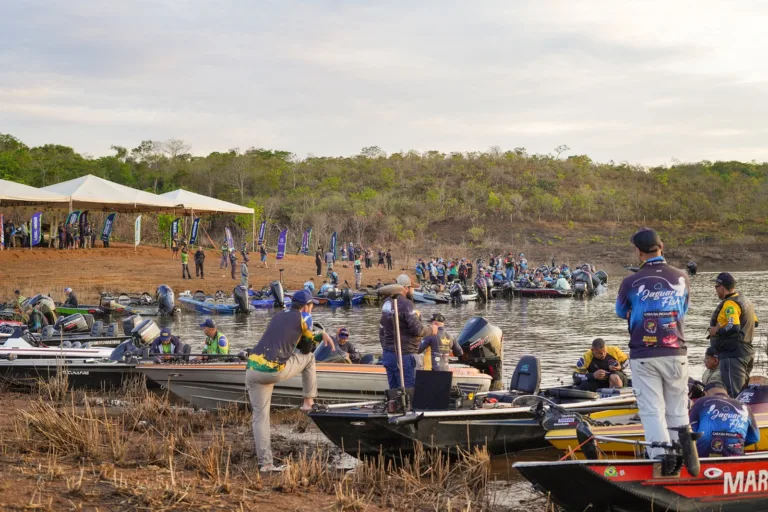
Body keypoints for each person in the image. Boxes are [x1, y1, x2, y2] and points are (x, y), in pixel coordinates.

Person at [616, 227, 690, 459]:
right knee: (678, 410)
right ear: (662, 247)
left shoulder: (630, 282)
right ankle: (684, 457)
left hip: (643, 354)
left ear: (638, 253)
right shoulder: (682, 277)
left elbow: (620, 311)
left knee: (652, 411)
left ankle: (661, 460)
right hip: (676, 351)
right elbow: (682, 310)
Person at [244, 290, 334, 471]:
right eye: (312, 306)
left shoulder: (278, 315)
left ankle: (266, 464)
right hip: (273, 369)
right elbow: (306, 349)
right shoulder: (305, 317)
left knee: (260, 418)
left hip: (252, 369)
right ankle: (309, 401)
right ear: (307, 306)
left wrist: (317, 335)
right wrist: (319, 335)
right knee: (309, 359)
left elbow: (288, 336)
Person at [379, 274, 437, 389]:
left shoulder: (386, 303)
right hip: (405, 355)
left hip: (388, 354)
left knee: (394, 390)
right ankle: (407, 407)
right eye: (412, 288)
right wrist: (431, 329)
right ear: (405, 288)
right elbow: (417, 330)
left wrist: (387, 348)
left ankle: (395, 406)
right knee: (409, 390)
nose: (413, 291)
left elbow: (381, 330)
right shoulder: (407, 304)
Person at [708, 272, 759, 398]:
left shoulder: (730, 304)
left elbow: (733, 326)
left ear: (722, 287)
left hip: (734, 356)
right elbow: (755, 322)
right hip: (747, 353)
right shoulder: (744, 300)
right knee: (743, 394)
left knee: (734, 395)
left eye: (716, 287)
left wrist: (717, 330)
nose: (716, 290)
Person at [689, 382, 760, 457]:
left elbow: (691, 432)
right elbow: (755, 438)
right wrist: (735, 443)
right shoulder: (745, 407)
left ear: (705, 393)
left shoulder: (701, 402)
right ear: (727, 394)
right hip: (735, 456)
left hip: (703, 457)